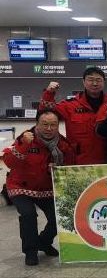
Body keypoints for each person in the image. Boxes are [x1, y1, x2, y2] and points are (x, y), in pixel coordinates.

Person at [2, 111, 76, 265]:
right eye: (45, 124)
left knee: (60, 216)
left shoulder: (63, 144)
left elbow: (70, 167)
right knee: (28, 214)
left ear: (58, 126)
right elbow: (9, 162)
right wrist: (23, 145)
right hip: (20, 186)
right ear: (37, 124)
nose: (49, 128)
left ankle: (43, 242)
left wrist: (57, 167)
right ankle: (31, 251)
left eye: (53, 125)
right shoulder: (25, 138)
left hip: (46, 188)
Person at [39, 66, 107, 164]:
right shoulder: (70, 105)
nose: (95, 83)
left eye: (98, 80)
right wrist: (49, 93)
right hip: (78, 162)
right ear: (83, 82)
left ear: (104, 82)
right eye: (90, 80)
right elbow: (45, 114)